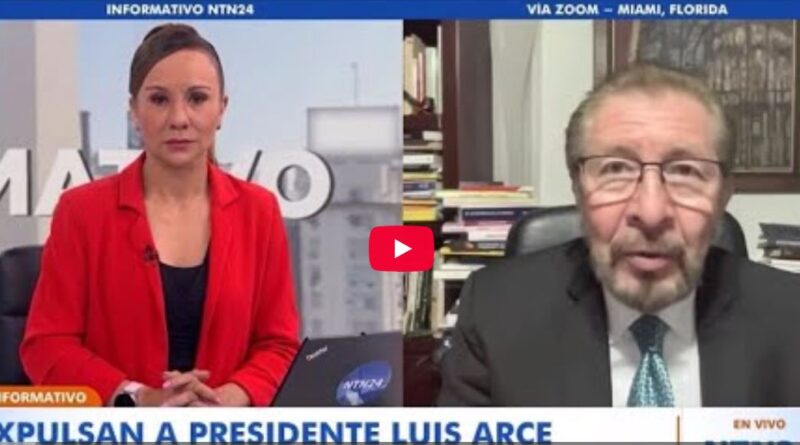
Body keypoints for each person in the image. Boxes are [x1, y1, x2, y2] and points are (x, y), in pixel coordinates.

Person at [438, 64, 800, 407]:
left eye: (686, 171)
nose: (651, 213)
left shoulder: (791, 316)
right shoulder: (496, 313)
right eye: (616, 169)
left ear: (724, 194)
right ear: (578, 188)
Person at [20, 24, 300, 407]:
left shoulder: (259, 211)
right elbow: (46, 346)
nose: (179, 118)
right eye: (159, 100)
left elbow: (279, 345)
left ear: (222, 108)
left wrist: (227, 399)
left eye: (197, 98)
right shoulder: (81, 212)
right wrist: (138, 398)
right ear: (134, 111)